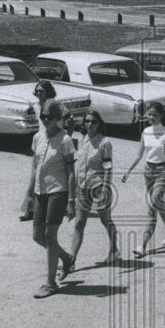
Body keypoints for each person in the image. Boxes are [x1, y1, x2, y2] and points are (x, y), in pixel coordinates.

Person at [26, 101, 77, 298]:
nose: (46, 120)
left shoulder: (65, 140)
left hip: (59, 191)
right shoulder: (37, 137)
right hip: (40, 192)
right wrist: (29, 194)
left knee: (50, 235)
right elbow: (34, 167)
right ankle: (66, 258)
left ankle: (50, 283)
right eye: (43, 116)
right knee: (38, 236)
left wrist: (72, 200)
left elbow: (71, 172)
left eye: (50, 116)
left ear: (57, 118)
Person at [123, 101, 165, 256]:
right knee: (159, 205)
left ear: (161, 115)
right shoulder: (146, 131)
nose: (151, 117)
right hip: (148, 172)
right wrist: (129, 170)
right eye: (149, 114)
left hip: (163, 172)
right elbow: (139, 154)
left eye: (154, 114)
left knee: (153, 206)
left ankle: (142, 246)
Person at [66, 111, 119, 267]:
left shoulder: (105, 143)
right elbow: (79, 166)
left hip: (98, 187)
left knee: (105, 220)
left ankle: (114, 250)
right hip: (82, 187)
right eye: (87, 121)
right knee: (79, 223)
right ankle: (72, 259)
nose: (89, 124)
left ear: (99, 123)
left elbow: (108, 167)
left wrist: (105, 190)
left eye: (93, 122)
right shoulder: (82, 139)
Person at [18, 81, 59, 221]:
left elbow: (69, 120)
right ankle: (32, 208)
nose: (39, 93)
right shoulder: (36, 106)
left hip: (53, 144)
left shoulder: (55, 105)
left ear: (48, 91)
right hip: (40, 142)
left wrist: (64, 137)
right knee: (35, 176)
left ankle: (33, 209)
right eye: (37, 91)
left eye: (42, 91)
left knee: (42, 177)